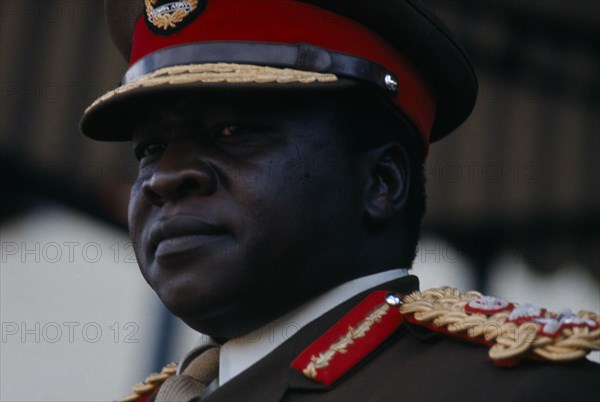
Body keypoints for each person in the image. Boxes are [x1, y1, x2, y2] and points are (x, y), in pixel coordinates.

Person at [81, 0, 599, 401]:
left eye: (231, 130)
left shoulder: (518, 392)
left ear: (382, 182)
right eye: (150, 149)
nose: (165, 176)